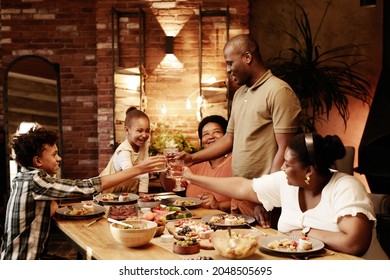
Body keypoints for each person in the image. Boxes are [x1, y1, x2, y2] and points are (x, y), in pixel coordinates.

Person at [183, 133, 388, 259]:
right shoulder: (287, 181)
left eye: (288, 164)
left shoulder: (345, 187)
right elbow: (241, 187)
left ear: (308, 170)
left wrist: (306, 232)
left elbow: (355, 244)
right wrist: (193, 177)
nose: (282, 167)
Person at [179, 34, 301, 227]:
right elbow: (229, 139)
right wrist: (192, 158)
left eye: (230, 63)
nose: (228, 70)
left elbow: (284, 150)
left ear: (247, 57)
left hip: (264, 198)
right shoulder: (240, 94)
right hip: (239, 192)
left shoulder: (278, 91)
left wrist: (265, 199)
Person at [0, 126, 166, 260]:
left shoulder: (24, 178)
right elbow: (83, 186)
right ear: (38, 161)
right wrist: (139, 169)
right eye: (54, 154)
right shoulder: (35, 180)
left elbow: (50, 209)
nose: (59, 159)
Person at [184, 115, 232, 212]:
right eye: (205, 134)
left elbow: (248, 200)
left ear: (227, 138)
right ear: (201, 141)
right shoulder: (195, 163)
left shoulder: (235, 161)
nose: (211, 137)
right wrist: (165, 168)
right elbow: (172, 186)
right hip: (193, 221)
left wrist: (219, 205)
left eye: (217, 132)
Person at [100, 106, 151, 195]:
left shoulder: (143, 146)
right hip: (107, 194)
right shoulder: (123, 150)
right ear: (127, 130)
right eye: (139, 131)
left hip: (126, 194)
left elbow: (144, 173)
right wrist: (148, 170)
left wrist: (143, 195)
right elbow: (130, 173)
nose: (144, 135)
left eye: (147, 130)